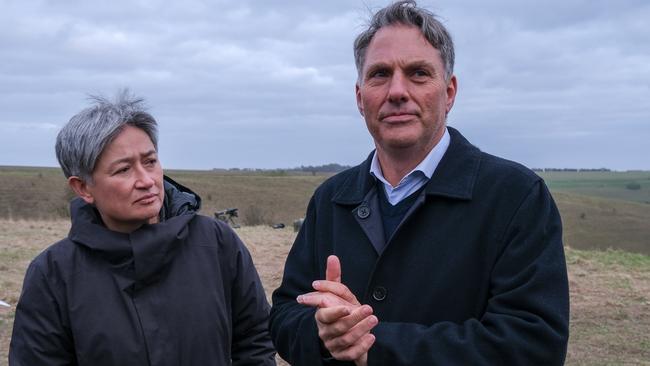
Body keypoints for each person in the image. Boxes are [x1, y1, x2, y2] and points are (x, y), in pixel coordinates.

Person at [269, 1, 569, 365]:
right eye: (379, 74)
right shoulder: (331, 199)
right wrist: (322, 331)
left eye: (418, 73)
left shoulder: (516, 197)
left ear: (449, 92)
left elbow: (531, 345)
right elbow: (285, 314)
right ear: (360, 98)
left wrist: (372, 345)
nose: (397, 91)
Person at [9, 91, 276, 366]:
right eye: (123, 170)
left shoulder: (217, 243)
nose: (147, 180)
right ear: (83, 187)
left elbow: (256, 341)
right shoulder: (54, 274)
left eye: (150, 162)